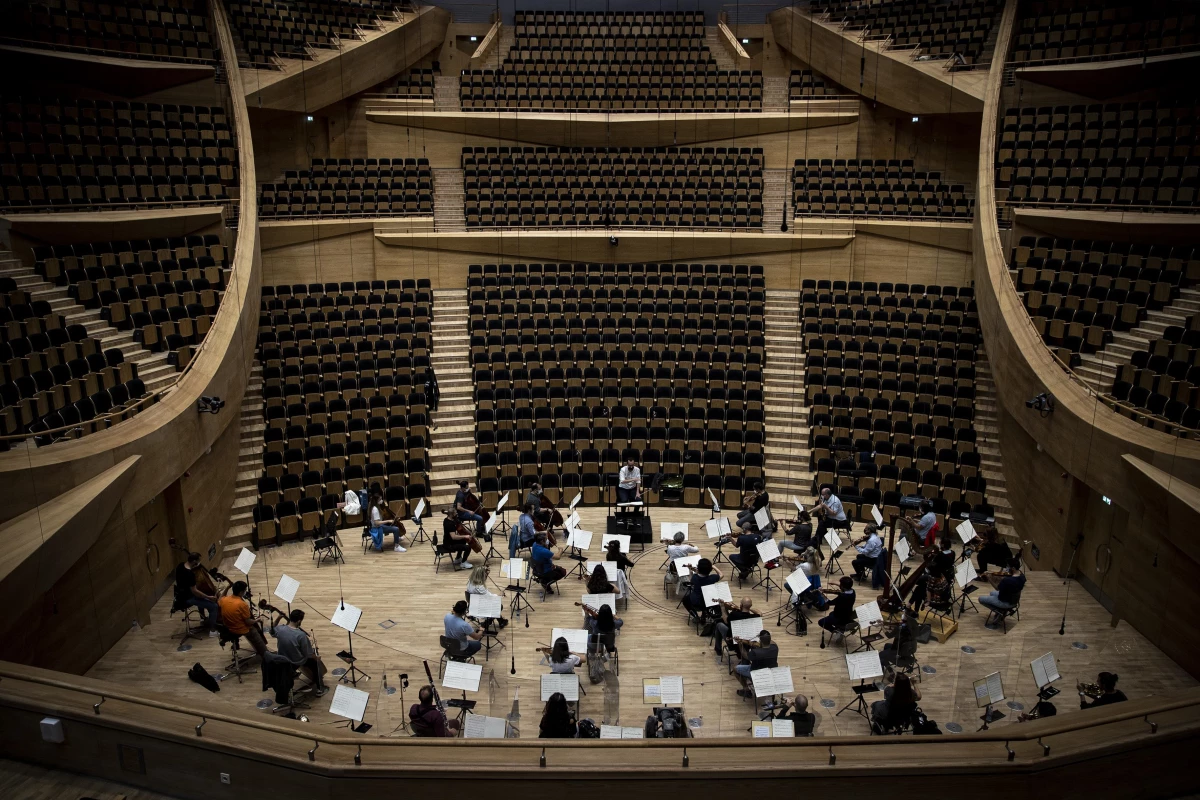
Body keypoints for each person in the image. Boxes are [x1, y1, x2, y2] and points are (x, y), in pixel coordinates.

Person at [267, 609, 326, 696]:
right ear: (299, 621)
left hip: (282, 661)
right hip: (295, 662)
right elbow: (308, 654)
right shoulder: (301, 635)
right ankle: (320, 689)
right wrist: (316, 657)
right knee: (315, 663)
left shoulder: (280, 629)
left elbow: (271, 631)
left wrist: (279, 618)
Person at [218, 581, 267, 659]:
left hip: (227, 627)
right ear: (241, 592)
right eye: (245, 590)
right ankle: (266, 656)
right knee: (254, 631)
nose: (245, 592)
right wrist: (257, 620)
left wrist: (227, 587)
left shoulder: (224, 600)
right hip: (239, 629)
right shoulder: (242, 604)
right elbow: (248, 622)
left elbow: (220, 598)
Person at [174, 552, 219, 626]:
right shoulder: (190, 574)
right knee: (214, 606)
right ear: (194, 561)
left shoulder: (180, 565)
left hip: (179, 595)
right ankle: (212, 630)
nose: (199, 563)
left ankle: (203, 618)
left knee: (201, 595)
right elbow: (194, 591)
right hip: (187, 598)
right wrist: (209, 597)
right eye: (198, 561)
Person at [980, 557, 1025, 628]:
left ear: (1012, 568)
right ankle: (1001, 610)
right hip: (1014, 600)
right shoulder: (1022, 576)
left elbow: (997, 588)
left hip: (1005, 601)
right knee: (992, 593)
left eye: (1008, 566)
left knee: (981, 599)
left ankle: (1000, 611)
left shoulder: (1007, 580)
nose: (1006, 568)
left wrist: (989, 578)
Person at [734, 630, 778, 698]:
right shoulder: (775, 648)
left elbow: (744, 654)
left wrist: (740, 643)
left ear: (760, 641)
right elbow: (769, 642)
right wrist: (751, 642)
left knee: (735, 669)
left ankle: (746, 689)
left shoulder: (755, 652)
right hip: (770, 674)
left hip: (757, 675)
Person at [466, 564, 508, 629]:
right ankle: (486, 623)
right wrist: (499, 595)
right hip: (479, 607)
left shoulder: (470, 581)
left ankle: (500, 621)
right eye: (485, 575)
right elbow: (490, 597)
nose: (486, 577)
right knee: (499, 606)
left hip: (472, 604)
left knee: (494, 605)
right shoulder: (480, 587)